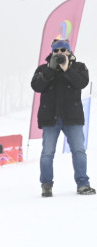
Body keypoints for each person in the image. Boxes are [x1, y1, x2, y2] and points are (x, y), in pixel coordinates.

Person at [32, 39, 93, 196]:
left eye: (63, 50)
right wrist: (50, 70)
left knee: (79, 151)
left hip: (72, 117)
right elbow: (36, 86)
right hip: (50, 118)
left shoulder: (79, 67)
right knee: (47, 153)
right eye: (56, 50)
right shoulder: (43, 68)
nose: (59, 53)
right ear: (52, 52)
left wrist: (67, 69)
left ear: (69, 52)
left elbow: (81, 83)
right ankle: (46, 185)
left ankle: (83, 184)